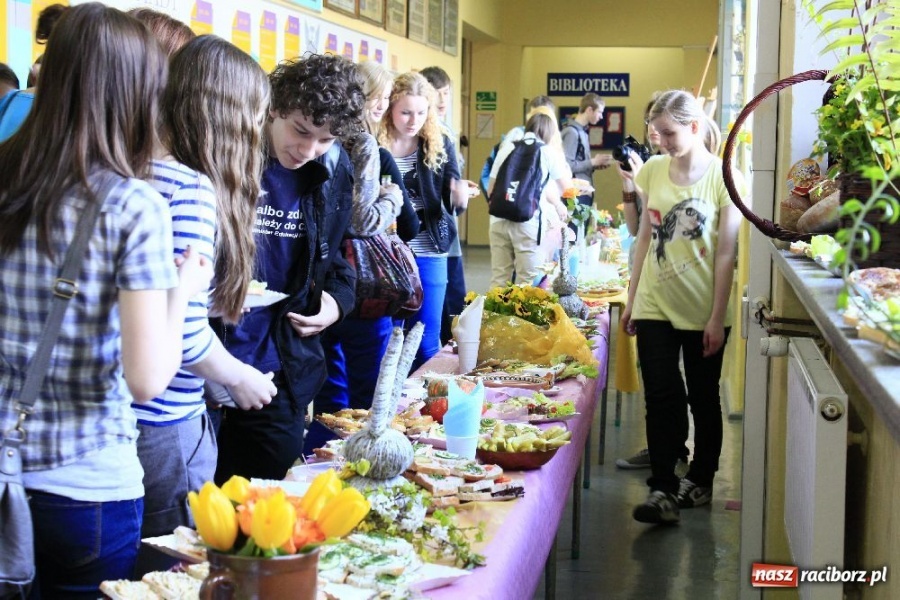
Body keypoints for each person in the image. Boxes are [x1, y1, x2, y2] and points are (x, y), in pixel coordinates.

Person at [0, 4, 211, 596]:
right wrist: (183, 293)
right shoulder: (130, 205)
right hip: (83, 489)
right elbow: (147, 379)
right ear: (141, 92)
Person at [134, 34, 277, 573]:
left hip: (127, 417)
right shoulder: (190, 189)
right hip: (166, 423)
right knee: (169, 568)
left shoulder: (133, 168)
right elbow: (184, 330)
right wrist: (240, 377)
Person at [213, 53, 364, 484]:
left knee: (268, 495)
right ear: (273, 108)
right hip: (213, 352)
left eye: (324, 140)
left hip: (282, 364)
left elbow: (338, 258)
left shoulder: (333, 169)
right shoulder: (230, 153)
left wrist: (334, 304)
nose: (308, 149)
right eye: (301, 131)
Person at [621, 90, 744, 525]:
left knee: (702, 397)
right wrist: (632, 298)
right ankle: (662, 489)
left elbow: (727, 253)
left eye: (670, 133)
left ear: (694, 127)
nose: (662, 141)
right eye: (657, 133)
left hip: (702, 308)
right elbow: (643, 238)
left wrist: (715, 317)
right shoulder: (653, 170)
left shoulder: (723, 176)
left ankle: (702, 478)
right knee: (660, 394)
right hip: (655, 301)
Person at [304, 60, 419, 454]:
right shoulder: (362, 143)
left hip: (315, 277)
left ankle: (320, 468)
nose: (383, 105)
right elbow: (363, 220)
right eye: (382, 97)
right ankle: (367, 467)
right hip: (359, 283)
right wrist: (392, 199)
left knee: (329, 393)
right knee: (371, 390)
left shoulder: (315, 133)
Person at [379, 71, 468, 371]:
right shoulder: (375, 143)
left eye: (420, 112)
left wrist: (458, 197)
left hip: (429, 246)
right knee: (389, 337)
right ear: (390, 108)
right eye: (405, 112)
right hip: (387, 250)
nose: (412, 120)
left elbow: (451, 197)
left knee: (426, 340)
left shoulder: (438, 142)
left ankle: (423, 413)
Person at [419, 65, 476, 346]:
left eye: (446, 94)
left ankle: (452, 349)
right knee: (443, 301)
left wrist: (459, 190)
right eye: (436, 94)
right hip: (427, 235)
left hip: (445, 229)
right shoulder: (423, 134)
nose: (442, 100)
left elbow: (450, 180)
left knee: (451, 299)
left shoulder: (446, 133)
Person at [487, 111, 569, 288]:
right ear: (550, 133)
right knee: (526, 282)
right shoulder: (547, 152)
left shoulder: (507, 147)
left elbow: (490, 189)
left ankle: (495, 315)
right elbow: (566, 188)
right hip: (528, 223)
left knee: (499, 279)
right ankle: (520, 316)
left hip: (498, 221)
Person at [561, 92, 613, 210]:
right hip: (575, 194)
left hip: (582, 192)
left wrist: (595, 165)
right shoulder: (572, 133)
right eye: (600, 112)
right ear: (589, 110)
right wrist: (593, 162)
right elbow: (567, 166)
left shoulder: (582, 132)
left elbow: (578, 162)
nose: (601, 117)